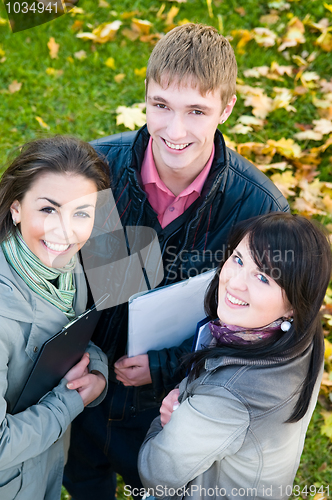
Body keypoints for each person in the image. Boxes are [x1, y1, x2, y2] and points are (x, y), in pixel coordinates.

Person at [64, 24, 290, 499]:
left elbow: (266, 333)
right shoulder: (95, 170)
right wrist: (76, 359)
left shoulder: (260, 209)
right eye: (161, 106)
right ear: (145, 93)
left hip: (173, 406)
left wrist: (168, 365)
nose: (175, 130)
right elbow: (57, 273)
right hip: (83, 391)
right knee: (84, 483)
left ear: (226, 109)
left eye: (197, 111)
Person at [138, 212, 332, 500]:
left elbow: (155, 474)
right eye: (239, 260)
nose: (234, 282)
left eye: (263, 277)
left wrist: (170, 420)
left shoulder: (227, 398)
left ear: (294, 304)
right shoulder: (299, 332)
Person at [0, 135, 110, 500]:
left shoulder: (65, 264)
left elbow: (67, 335)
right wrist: (70, 401)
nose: (65, 230)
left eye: (81, 213)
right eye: (48, 209)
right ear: (16, 208)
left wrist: (97, 371)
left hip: (42, 467)